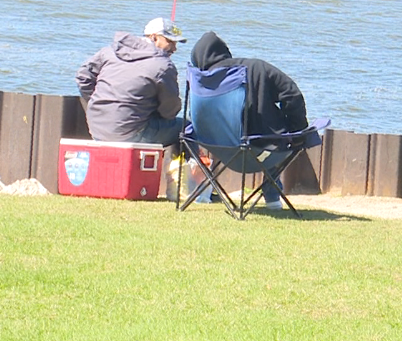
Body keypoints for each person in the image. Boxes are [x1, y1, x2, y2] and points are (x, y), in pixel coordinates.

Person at [189, 31, 309, 210]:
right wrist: (298, 130)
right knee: (268, 133)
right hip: (262, 150)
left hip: (220, 151)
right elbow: (292, 94)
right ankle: (273, 199)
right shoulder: (256, 67)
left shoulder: (200, 80)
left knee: (260, 133)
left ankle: (201, 191)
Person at [76, 17, 187, 148]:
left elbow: (83, 77)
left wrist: (98, 100)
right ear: (154, 37)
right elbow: (170, 111)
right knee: (187, 127)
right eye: (170, 41)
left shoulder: (110, 51)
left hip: (97, 127)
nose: (174, 48)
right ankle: (191, 167)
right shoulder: (163, 65)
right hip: (130, 133)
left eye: (176, 43)